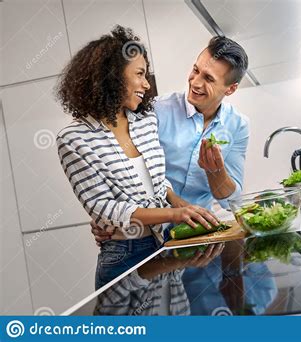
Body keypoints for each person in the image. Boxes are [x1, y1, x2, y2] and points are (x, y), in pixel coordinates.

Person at [56, 25, 222, 291]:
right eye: (140, 74)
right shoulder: (74, 139)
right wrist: (176, 213)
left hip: (166, 241)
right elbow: (103, 208)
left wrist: (184, 207)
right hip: (126, 254)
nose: (147, 84)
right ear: (112, 76)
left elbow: (156, 182)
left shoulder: (145, 120)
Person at [92, 35, 251, 313]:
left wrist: (216, 172)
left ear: (231, 88)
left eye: (209, 79)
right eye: (195, 70)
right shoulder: (157, 110)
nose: (196, 82)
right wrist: (109, 214)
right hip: (147, 241)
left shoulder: (237, 126)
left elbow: (229, 196)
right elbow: (123, 168)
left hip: (197, 241)